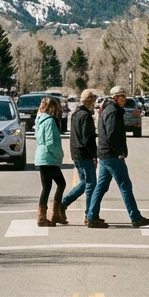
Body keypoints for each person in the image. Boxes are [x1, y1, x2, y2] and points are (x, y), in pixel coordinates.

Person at [86, 86, 149, 229]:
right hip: (112, 155)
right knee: (125, 186)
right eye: (121, 97)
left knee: (101, 186)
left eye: (124, 97)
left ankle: (91, 216)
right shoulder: (112, 111)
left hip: (105, 154)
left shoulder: (108, 109)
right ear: (114, 98)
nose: (124, 100)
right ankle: (135, 217)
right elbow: (112, 135)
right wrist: (119, 152)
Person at [60, 89, 99, 224]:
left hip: (76, 153)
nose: (94, 104)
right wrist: (94, 155)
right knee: (91, 184)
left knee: (84, 183)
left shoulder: (76, 114)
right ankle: (89, 214)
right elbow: (87, 138)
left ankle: (63, 204)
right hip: (84, 153)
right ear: (90, 101)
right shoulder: (85, 116)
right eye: (93, 101)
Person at [34, 97, 67, 226]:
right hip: (49, 157)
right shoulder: (50, 122)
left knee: (47, 187)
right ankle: (54, 213)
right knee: (61, 184)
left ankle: (45, 215)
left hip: (41, 156)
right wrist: (60, 155)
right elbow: (51, 142)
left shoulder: (40, 120)